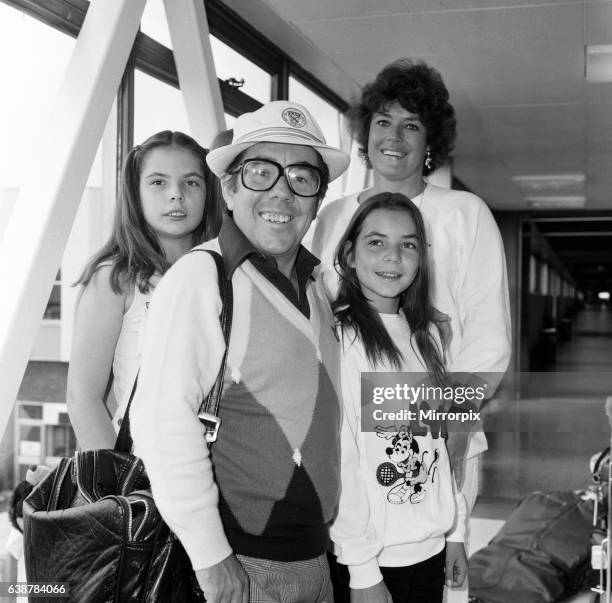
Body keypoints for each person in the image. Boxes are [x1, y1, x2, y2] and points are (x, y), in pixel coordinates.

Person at [130, 101, 350, 603]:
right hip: (245, 565)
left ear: (318, 198)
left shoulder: (318, 285)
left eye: (301, 176)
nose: (282, 191)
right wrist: (211, 559)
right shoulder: (201, 278)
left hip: (317, 556)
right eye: (260, 172)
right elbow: (163, 423)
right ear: (228, 189)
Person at [311, 58, 511, 601]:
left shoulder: (464, 214)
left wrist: (457, 522)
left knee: (434, 575)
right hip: (350, 449)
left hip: (439, 444)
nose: (393, 137)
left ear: (431, 143)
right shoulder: (331, 218)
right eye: (382, 121)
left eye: (411, 125)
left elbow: (488, 344)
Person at [330, 191, 467, 603]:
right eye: (377, 242)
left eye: (408, 244)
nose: (393, 257)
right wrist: (363, 572)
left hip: (429, 550)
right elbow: (343, 460)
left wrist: (455, 533)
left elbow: (437, 445)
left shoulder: (425, 337)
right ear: (350, 254)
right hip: (373, 560)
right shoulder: (340, 338)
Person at [67, 130, 220, 450]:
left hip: (219, 470)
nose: (176, 195)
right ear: (135, 193)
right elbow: (83, 398)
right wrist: (118, 490)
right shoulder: (116, 278)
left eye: (191, 182)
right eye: (158, 182)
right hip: (140, 473)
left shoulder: (222, 276)